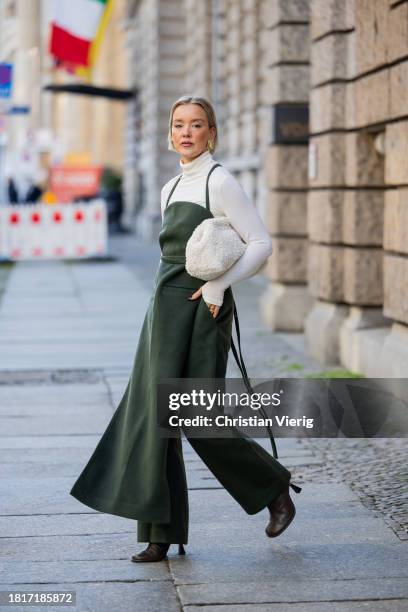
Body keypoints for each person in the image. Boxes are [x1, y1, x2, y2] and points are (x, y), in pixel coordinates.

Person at [69, 95, 302, 563]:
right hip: (165, 308)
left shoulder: (222, 181)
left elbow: (261, 245)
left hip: (205, 309)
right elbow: (169, 258)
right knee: (154, 419)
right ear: (170, 133)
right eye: (179, 125)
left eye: (197, 125)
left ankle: (273, 488)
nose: (187, 132)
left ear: (211, 132)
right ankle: (159, 533)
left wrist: (219, 285)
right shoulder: (170, 187)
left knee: (196, 416)